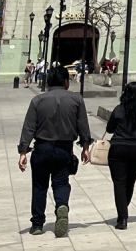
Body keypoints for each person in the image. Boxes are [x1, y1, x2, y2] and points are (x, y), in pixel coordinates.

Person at [16, 65, 93, 237]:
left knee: (39, 186)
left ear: (48, 82)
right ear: (66, 82)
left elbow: (29, 128)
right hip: (64, 149)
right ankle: (61, 205)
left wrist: (23, 152)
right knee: (61, 182)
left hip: (42, 148)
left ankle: (37, 224)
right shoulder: (76, 100)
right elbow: (83, 126)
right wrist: (85, 147)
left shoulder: (37, 101)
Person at [104, 81, 136, 230]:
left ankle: (122, 218)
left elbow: (110, 128)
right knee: (130, 181)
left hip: (118, 148)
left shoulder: (119, 110)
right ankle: (123, 209)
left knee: (119, 182)